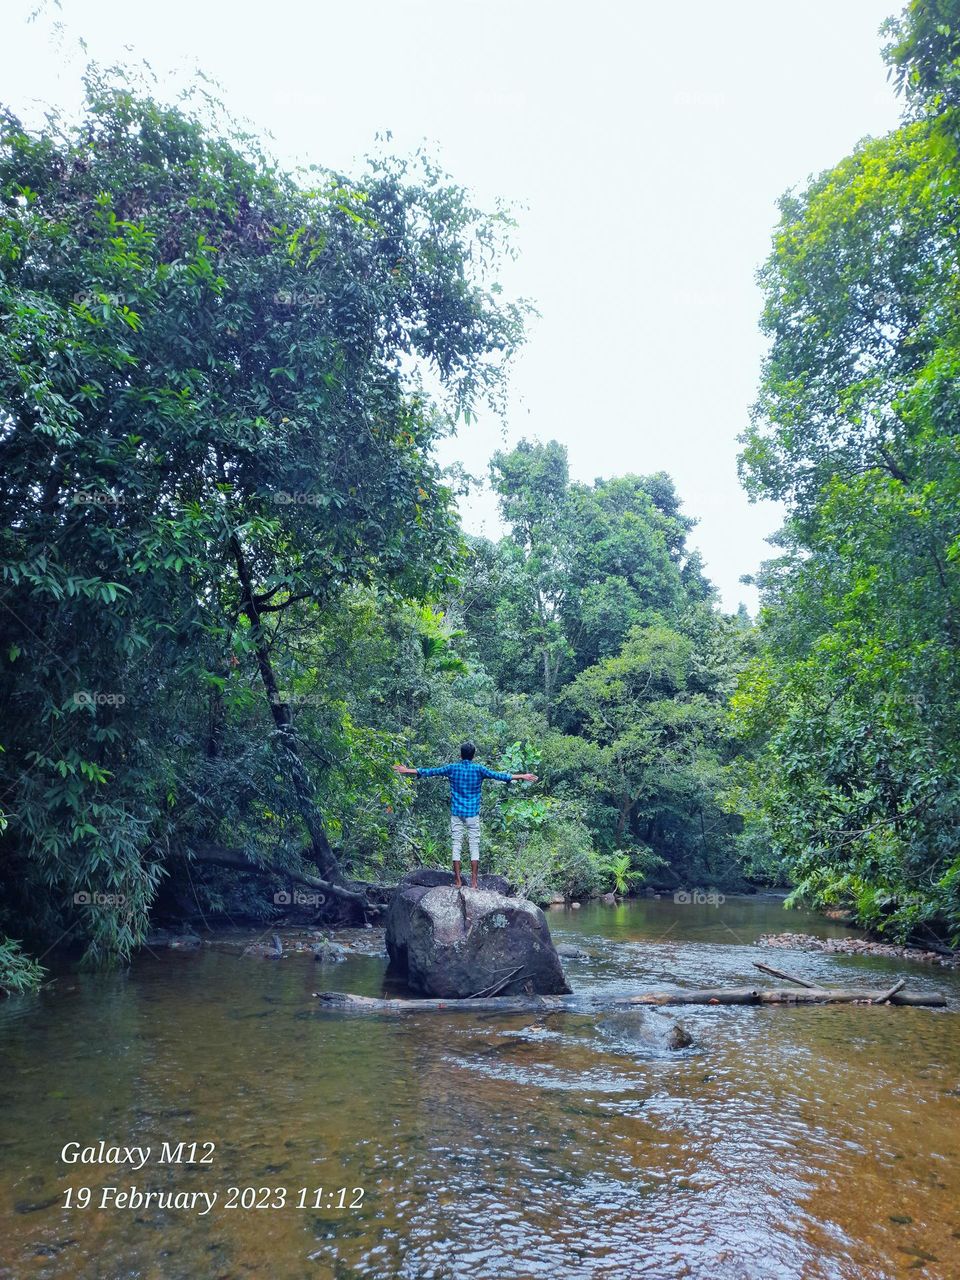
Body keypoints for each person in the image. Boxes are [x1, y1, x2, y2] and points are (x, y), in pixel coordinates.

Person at [393, 742, 538, 889]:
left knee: (456, 845)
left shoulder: (452, 768)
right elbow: (500, 776)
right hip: (472, 814)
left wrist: (406, 770)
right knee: (474, 846)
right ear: (473, 755)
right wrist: (523, 776)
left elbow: (430, 771)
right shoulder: (479, 769)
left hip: (457, 813)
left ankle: (458, 882)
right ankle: (474, 883)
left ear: (460, 754)